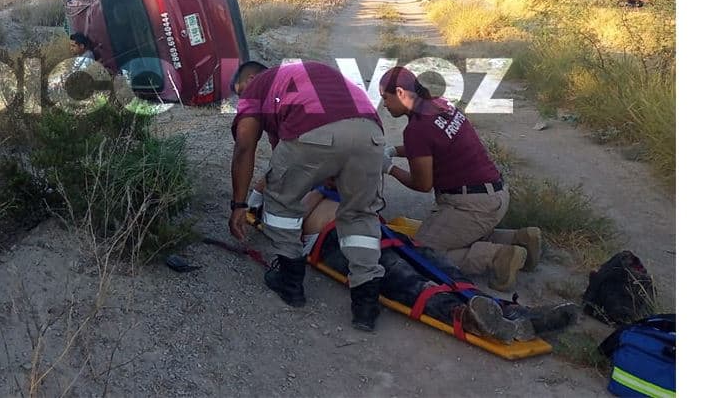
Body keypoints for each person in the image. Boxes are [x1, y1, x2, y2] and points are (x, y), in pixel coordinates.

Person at [248, 179, 578, 342]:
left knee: (439, 265)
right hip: (336, 242)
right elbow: (286, 211)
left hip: (373, 229)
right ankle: (465, 316)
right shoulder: (283, 204)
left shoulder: (316, 176)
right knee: (404, 280)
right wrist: (308, 189)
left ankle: (515, 313)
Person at [229, 60, 388, 331]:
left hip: (314, 128)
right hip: (371, 133)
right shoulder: (305, 76)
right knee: (360, 214)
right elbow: (292, 151)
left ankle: (290, 283)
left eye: (239, 91)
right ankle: (366, 303)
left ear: (252, 77)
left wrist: (239, 204)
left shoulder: (257, 86)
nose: (241, 99)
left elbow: (245, 146)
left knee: (280, 201)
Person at [379, 66, 541, 291]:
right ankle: (519, 239)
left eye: (385, 98)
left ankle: (497, 257)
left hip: (472, 207)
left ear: (399, 93)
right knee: (457, 232)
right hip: (495, 195)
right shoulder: (439, 105)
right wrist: (395, 152)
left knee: (422, 252)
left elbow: (422, 184)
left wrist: (389, 170)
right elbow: (430, 145)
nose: (384, 105)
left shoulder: (417, 129)